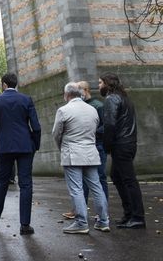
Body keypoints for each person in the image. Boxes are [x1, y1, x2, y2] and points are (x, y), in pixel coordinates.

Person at [0, 73, 41, 235]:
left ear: (3, 84)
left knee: (1, 183)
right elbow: (36, 126)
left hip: (4, 147)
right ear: (15, 84)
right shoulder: (26, 99)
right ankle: (25, 225)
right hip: (25, 146)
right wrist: (34, 145)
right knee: (25, 184)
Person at [52, 82, 109, 234]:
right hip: (91, 152)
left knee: (76, 189)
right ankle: (103, 221)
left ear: (67, 95)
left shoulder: (63, 110)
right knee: (96, 187)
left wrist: (62, 147)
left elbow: (56, 134)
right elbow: (95, 129)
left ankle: (81, 222)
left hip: (72, 154)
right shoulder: (92, 110)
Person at [100, 73, 145, 229]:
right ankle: (129, 214)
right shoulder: (125, 98)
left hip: (121, 144)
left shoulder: (111, 99)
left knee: (128, 180)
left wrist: (107, 147)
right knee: (117, 176)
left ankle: (138, 217)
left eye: (100, 82)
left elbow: (110, 125)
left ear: (107, 83)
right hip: (129, 143)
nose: (99, 86)